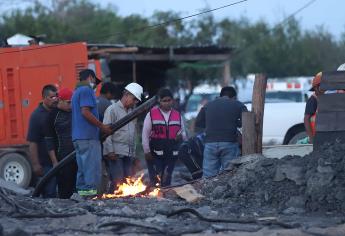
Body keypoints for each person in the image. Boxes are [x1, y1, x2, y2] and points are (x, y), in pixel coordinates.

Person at [72, 69, 112, 197]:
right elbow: (85, 111)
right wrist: (102, 126)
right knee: (92, 171)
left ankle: (82, 197)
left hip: (79, 138)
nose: (95, 85)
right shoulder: (86, 90)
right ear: (90, 78)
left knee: (83, 171)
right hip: (88, 137)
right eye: (95, 81)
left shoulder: (76, 92)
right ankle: (90, 198)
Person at [195, 86, 247, 177]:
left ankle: (208, 191)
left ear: (221, 95)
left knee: (208, 176)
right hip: (229, 143)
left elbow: (198, 122)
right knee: (230, 174)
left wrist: (211, 126)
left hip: (210, 144)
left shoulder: (207, 105)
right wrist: (235, 123)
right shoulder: (238, 104)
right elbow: (246, 121)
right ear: (234, 97)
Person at [102, 82, 143, 192]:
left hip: (128, 153)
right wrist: (110, 151)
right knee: (117, 182)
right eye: (134, 99)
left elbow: (133, 133)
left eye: (136, 101)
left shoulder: (132, 113)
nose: (135, 102)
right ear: (126, 94)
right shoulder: (112, 110)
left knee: (127, 182)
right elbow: (106, 132)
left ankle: (123, 205)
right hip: (116, 153)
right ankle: (112, 204)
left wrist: (133, 154)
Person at [142, 88, 187, 187]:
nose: (167, 103)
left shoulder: (177, 115)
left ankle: (165, 199)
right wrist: (146, 151)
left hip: (171, 152)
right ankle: (155, 198)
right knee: (156, 178)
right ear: (159, 101)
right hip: (155, 152)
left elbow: (183, 133)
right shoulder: (152, 114)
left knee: (167, 177)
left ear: (172, 100)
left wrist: (181, 138)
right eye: (164, 101)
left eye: (169, 100)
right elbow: (145, 134)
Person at [44, 88, 77, 199]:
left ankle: (84, 205)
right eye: (68, 102)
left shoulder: (75, 112)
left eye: (72, 102)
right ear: (60, 101)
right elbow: (49, 140)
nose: (71, 105)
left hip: (78, 155)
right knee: (65, 186)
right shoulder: (52, 116)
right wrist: (54, 162)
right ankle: (65, 208)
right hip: (62, 158)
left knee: (79, 184)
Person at [27, 84, 59, 198]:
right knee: (49, 192)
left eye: (56, 96)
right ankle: (49, 214)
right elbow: (32, 142)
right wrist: (36, 164)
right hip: (46, 163)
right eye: (52, 97)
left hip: (60, 160)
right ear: (44, 98)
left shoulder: (58, 112)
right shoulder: (36, 116)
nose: (55, 99)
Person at [304, 72, 324, 144]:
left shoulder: (328, 98)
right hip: (317, 135)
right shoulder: (313, 100)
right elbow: (306, 119)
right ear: (316, 88)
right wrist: (312, 139)